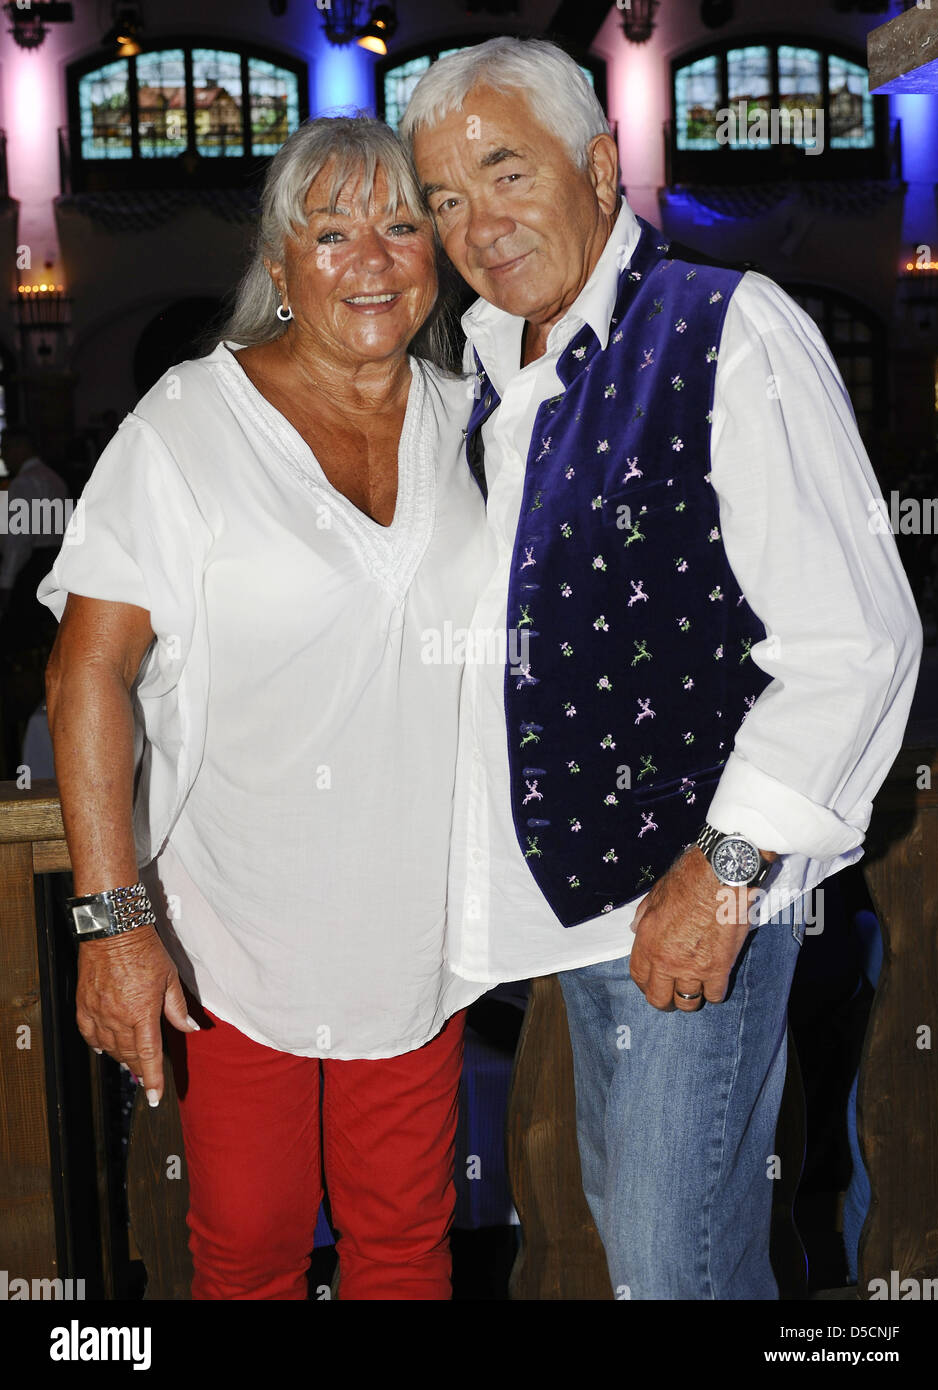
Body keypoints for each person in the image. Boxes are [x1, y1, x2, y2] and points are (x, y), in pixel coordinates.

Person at [403, 38, 922, 1299]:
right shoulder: (478, 381)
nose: (478, 223)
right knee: (650, 1251)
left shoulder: (724, 329)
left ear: (599, 164)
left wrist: (726, 870)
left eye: (505, 171)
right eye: (447, 199)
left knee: (666, 1266)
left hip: (692, 889)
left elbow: (854, 640)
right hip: (571, 905)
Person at [40, 115, 493, 1300]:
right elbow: (86, 669)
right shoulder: (191, 424)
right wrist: (114, 922)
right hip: (230, 932)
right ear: (278, 263)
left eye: (403, 224)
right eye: (330, 230)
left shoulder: (472, 418)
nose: (373, 258)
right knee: (248, 1250)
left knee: (406, 1244)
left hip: (415, 931)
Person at [0, 428, 69, 775]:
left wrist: (6, 588)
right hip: (55, 571)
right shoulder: (56, 480)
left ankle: (21, 746)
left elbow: (15, 543)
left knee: (17, 662)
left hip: (29, 576)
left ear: (19, 447)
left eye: (5, 449)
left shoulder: (23, 485)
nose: (4, 458)